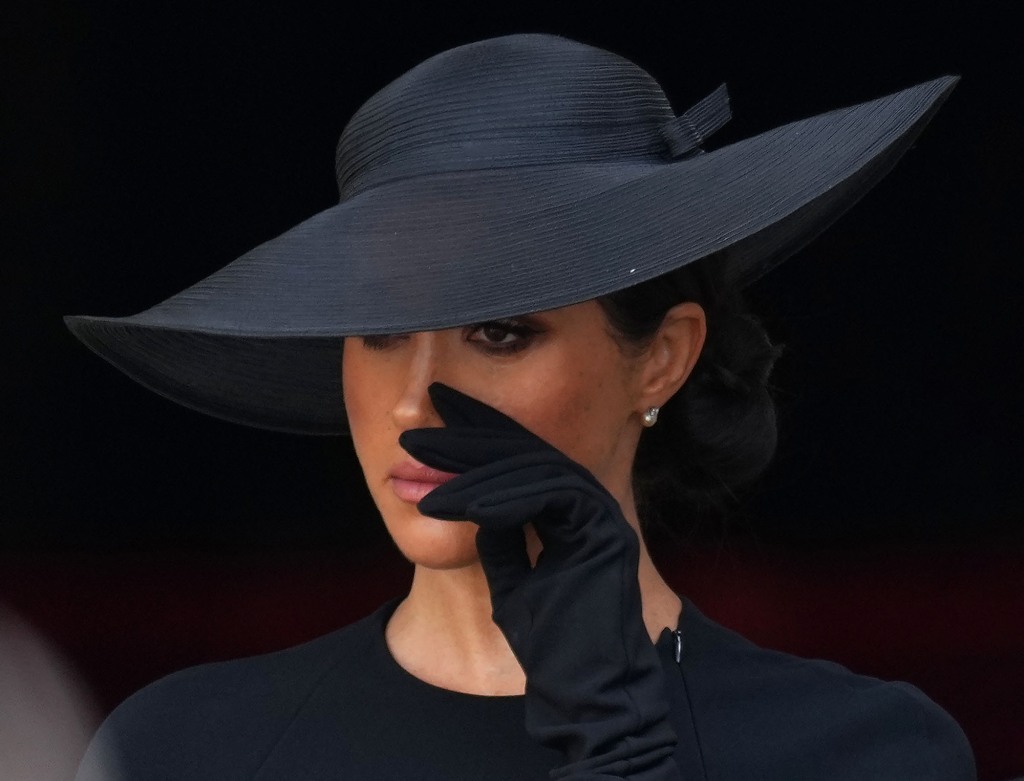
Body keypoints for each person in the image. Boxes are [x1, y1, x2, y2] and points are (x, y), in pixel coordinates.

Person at [67, 34, 976, 780]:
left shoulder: (862, 752)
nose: (415, 396)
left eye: (498, 330)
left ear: (662, 358)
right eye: (379, 326)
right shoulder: (181, 751)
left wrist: (613, 739)